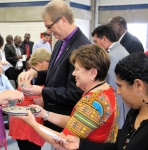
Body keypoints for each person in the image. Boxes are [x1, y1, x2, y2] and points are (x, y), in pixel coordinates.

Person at [18, 44, 118, 149]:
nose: (73, 73)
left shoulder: (92, 103)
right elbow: (74, 122)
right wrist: (44, 114)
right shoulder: (105, 90)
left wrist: (33, 124)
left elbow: (62, 143)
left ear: (93, 73)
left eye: (77, 69)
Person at [20, 0, 91, 134]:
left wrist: (42, 92)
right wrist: (35, 73)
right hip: (54, 118)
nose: (48, 31)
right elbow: (56, 74)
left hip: (67, 120)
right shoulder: (60, 43)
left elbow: (75, 92)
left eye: (49, 26)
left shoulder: (82, 47)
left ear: (63, 20)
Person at [57, 52, 148, 150]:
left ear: (138, 85)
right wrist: (80, 143)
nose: (118, 92)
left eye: (120, 86)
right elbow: (117, 147)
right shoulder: (134, 112)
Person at [9, 48, 51, 150]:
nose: (50, 64)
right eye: (48, 61)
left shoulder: (36, 76)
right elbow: (40, 102)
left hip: (32, 119)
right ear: (39, 62)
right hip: (26, 121)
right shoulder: (25, 76)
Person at [91, 24, 129, 129]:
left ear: (104, 39)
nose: (95, 45)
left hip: (118, 106)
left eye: (95, 41)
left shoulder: (111, 56)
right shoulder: (121, 50)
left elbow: (111, 86)